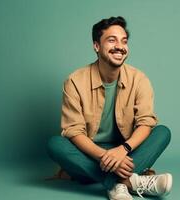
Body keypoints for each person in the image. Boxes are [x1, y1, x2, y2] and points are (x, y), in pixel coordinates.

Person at [47, 16, 172, 200]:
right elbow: (74, 131)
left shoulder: (139, 79)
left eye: (124, 41)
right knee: (55, 144)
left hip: (127, 151)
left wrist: (122, 150)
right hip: (90, 155)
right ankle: (131, 182)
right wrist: (104, 156)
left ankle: (116, 183)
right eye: (111, 40)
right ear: (96, 46)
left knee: (162, 132)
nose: (119, 46)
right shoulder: (74, 81)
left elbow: (146, 122)